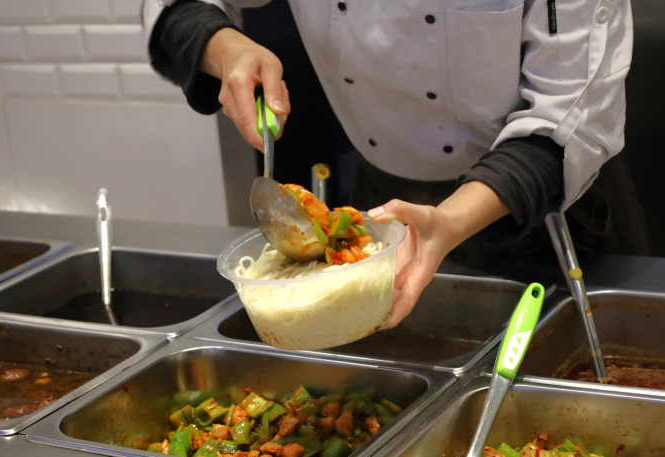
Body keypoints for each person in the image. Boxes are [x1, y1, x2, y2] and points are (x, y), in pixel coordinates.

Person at [141, 0, 634, 328]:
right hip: (383, 216)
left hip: (537, 211)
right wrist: (229, 48)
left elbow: (567, 117)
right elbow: (173, 9)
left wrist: (448, 220)